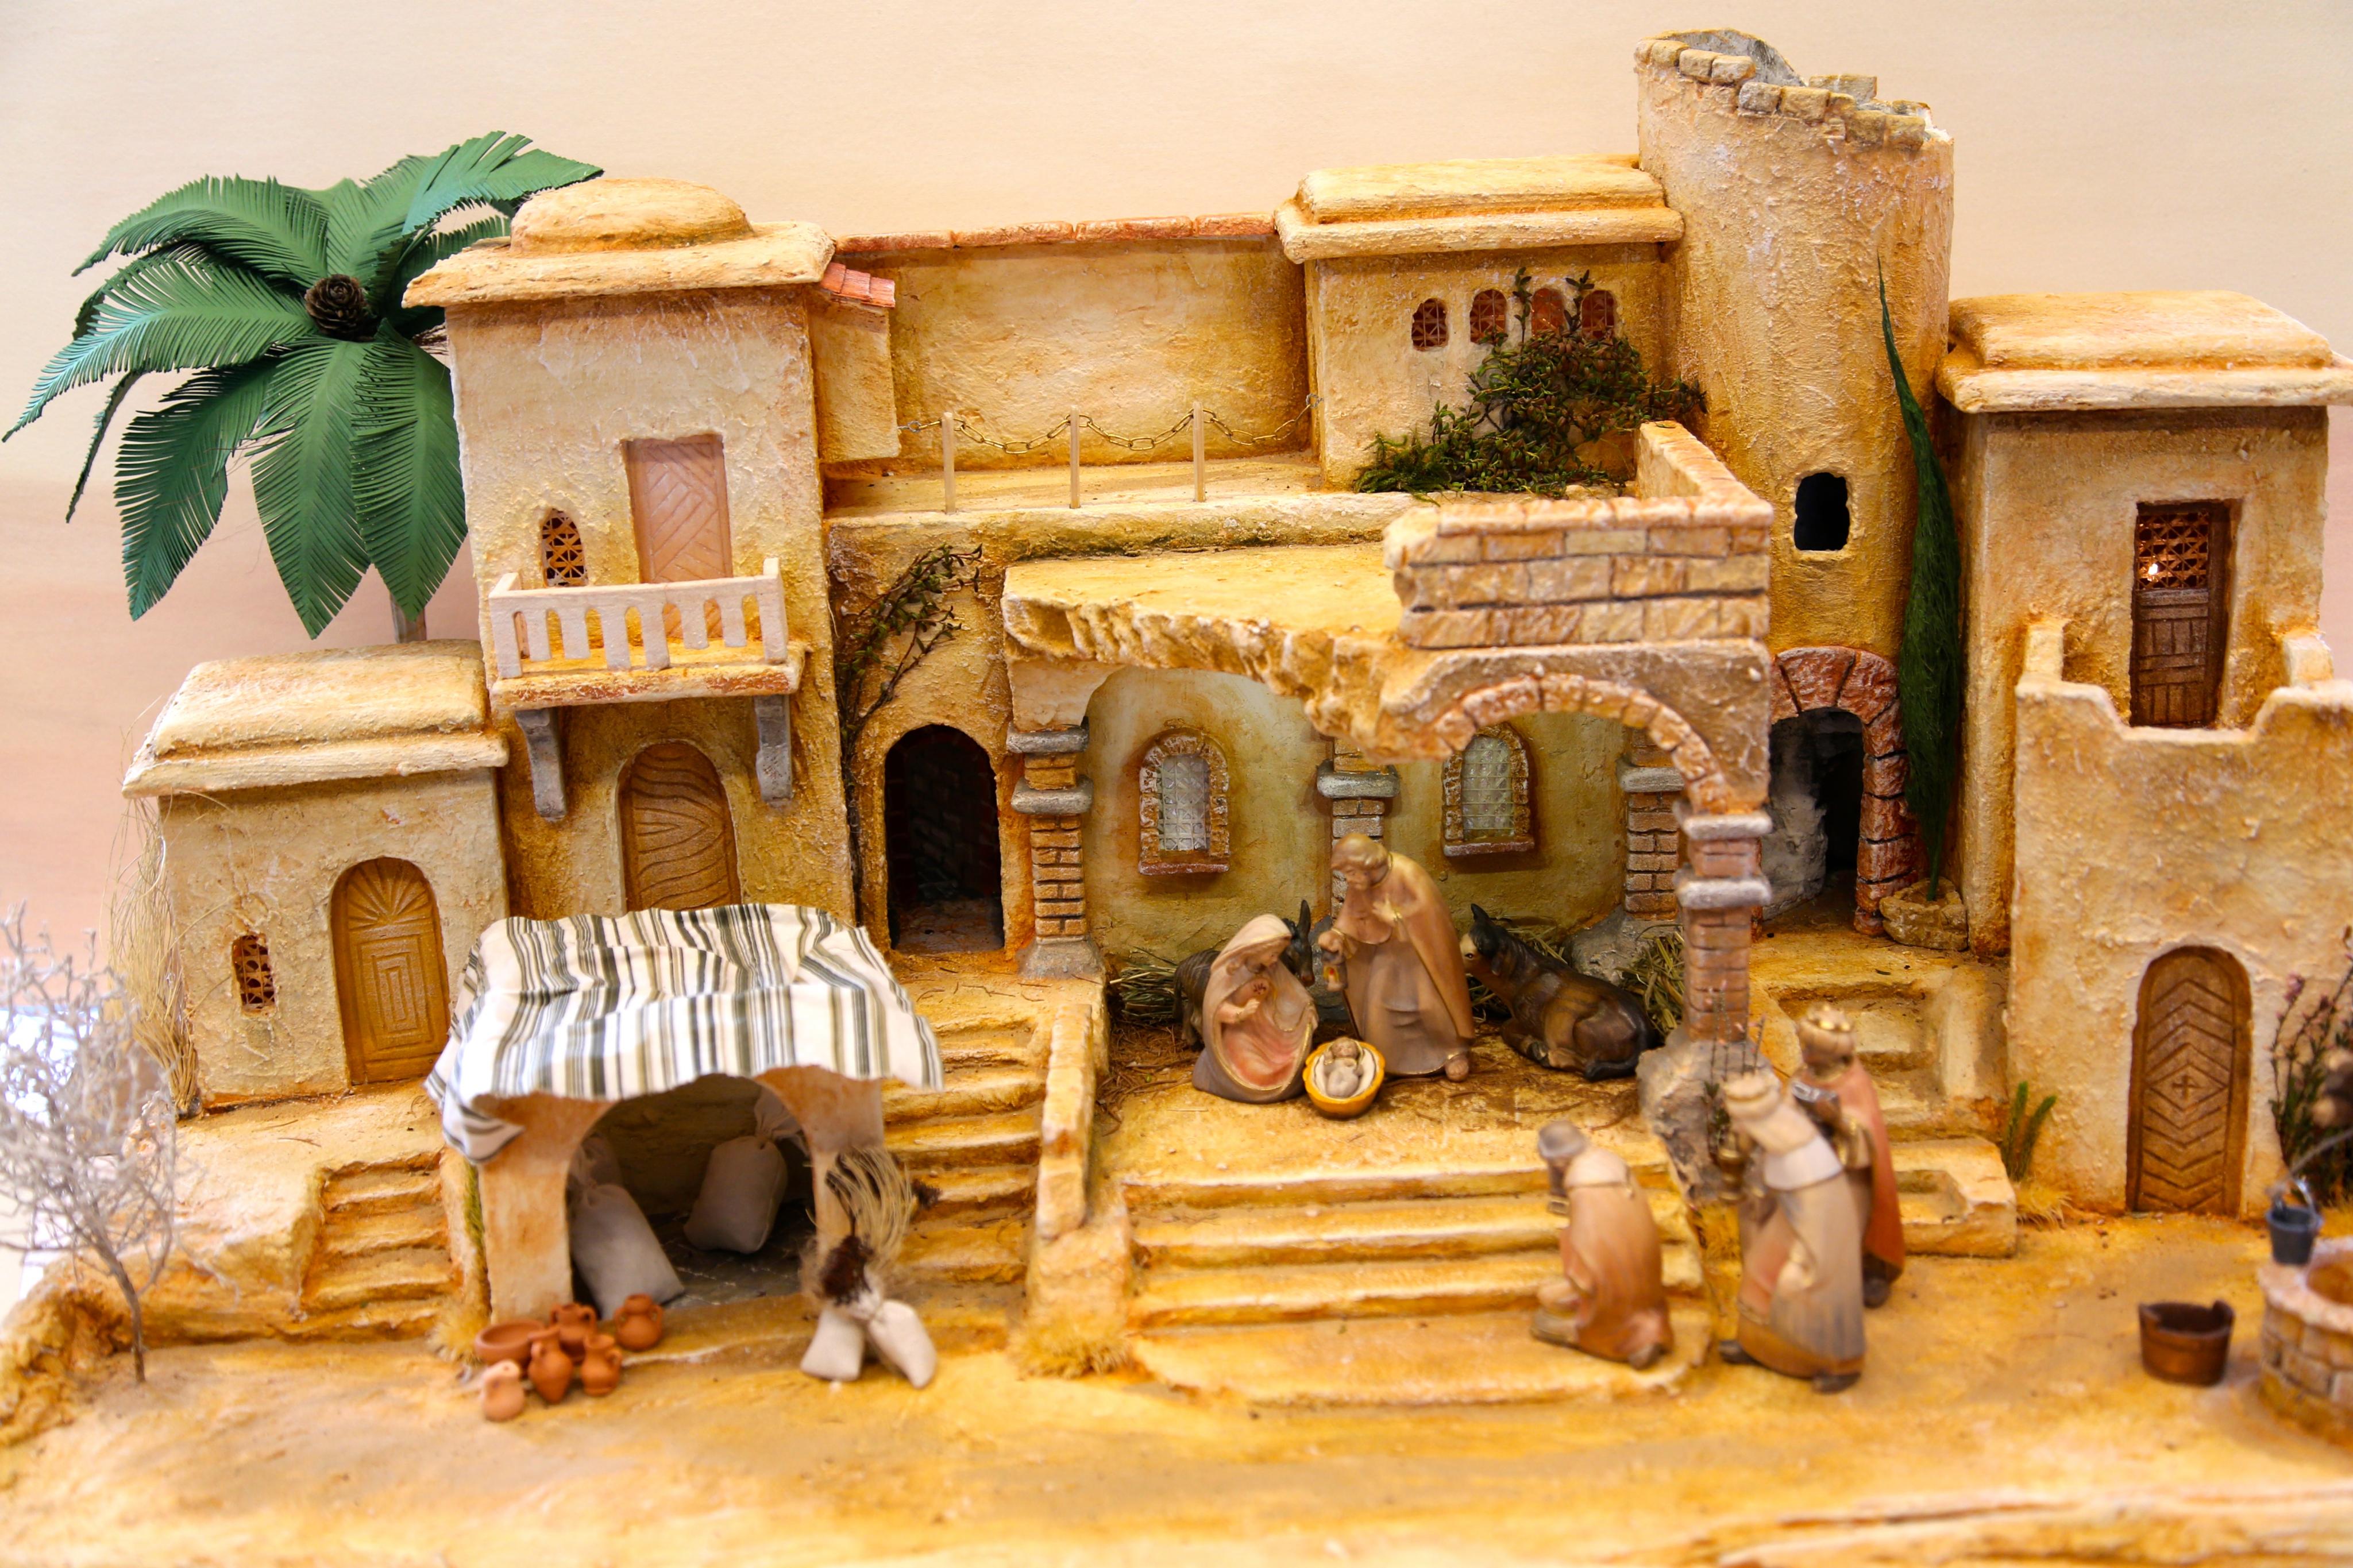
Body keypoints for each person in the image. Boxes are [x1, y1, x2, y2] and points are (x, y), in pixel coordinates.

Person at [1718, 1070, 1865, 1392]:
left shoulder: (1806, 1160)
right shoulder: (1778, 1142)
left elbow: (1819, 1218)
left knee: (1804, 1290)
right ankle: (1756, 1346)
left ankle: (1836, 1363)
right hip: (1790, 1218)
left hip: (1813, 1233)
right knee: (1759, 1274)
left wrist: (1802, 1258)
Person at [1317, 833, 1474, 1080]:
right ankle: (1386, 1059)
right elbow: (1350, 918)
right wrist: (1336, 936)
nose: (1349, 880)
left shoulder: (1407, 872)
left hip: (1420, 956)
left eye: (1351, 872)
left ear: (1367, 865)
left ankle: (1452, 1052)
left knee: (1428, 1005)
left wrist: (1396, 918)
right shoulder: (1360, 885)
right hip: (1387, 954)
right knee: (1379, 1006)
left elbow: (1431, 915)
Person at [1532, 1120, 1673, 1369]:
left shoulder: (1585, 1188)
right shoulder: (1611, 1163)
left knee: (1548, 1303)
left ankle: (1625, 1340)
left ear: (1559, 1162)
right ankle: (1647, 1330)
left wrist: (1579, 1279)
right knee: (1554, 1297)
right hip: (1644, 1281)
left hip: (1608, 1287)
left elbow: (1590, 1249)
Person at [1791, 1003, 1905, 1307]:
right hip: (1812, 1169)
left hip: (1847, 1176)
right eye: (1805, 1047)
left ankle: (1856, 1276)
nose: (1805, 1054)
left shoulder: (1854, 1083)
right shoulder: (1804, 1074)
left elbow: (1866, 1134)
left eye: (1811, 1049)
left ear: (1832, 1053)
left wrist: (1838, 1119)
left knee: (1846, 1227)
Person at [1192, 914, 1314, 1103]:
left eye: (1278, 954)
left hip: (1268, 1029)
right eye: (1272, 954)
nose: (1276, 959)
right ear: (1256, 948)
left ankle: (1285, 1074)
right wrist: (1240, 1014)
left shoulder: (1272, 966)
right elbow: (1215, 1009)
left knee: (1293, 1055)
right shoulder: (1229, 973)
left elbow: (1293, 992)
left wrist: (1308, 1009)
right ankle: (1259, 1082)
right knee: (1254, 1068)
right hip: (1239, 1032)